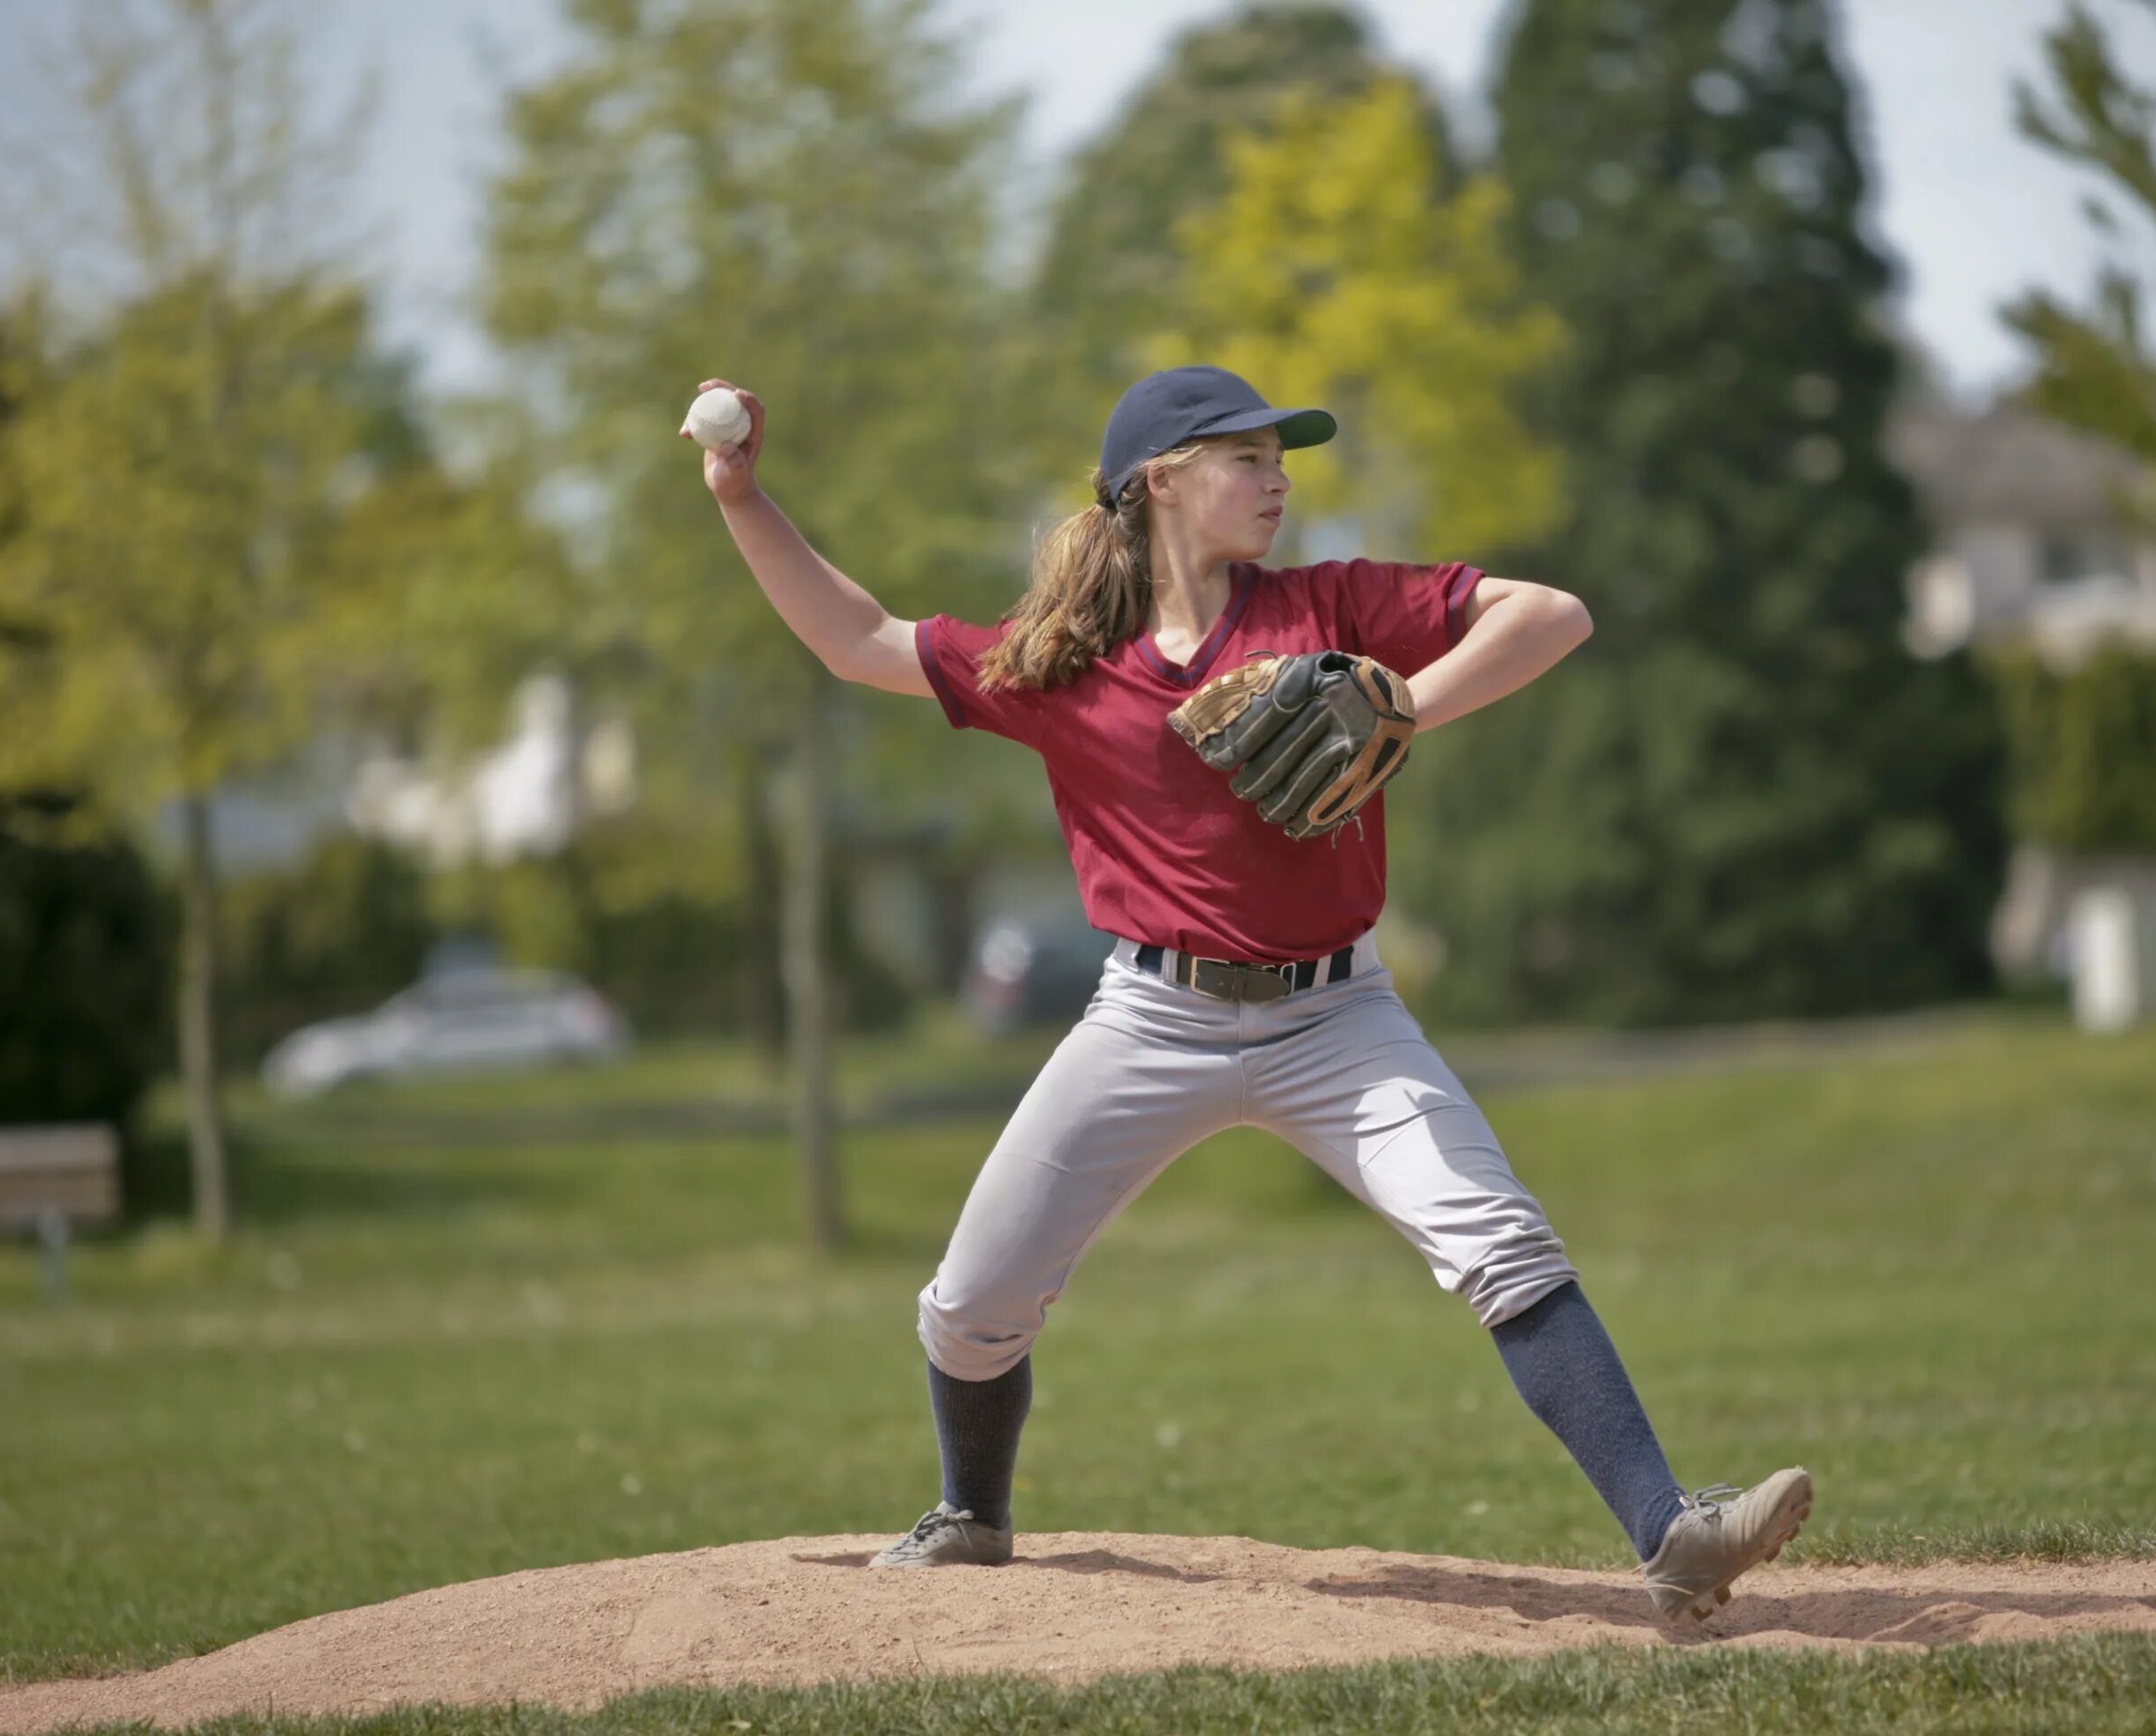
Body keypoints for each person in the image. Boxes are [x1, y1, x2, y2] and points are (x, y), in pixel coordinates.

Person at [688, 364, 1811, 1624]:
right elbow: (860, 642)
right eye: (1248, 457)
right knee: (969, 1308)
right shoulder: (1068, 662)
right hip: (1148, 1019)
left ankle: (1673, 1536)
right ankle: (973, 1515)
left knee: (1501, 1241)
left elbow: (1551, 613)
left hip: (1340, 1018)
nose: (1280, 479)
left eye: (1285, 458)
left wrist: (1402, 708)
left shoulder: (1331, 605)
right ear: (1159, 482)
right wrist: (741, 495)